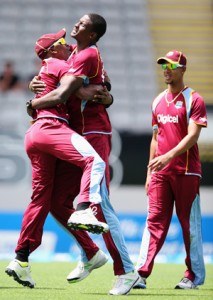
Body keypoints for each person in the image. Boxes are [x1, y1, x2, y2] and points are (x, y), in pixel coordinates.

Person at [29, 13, 140, 295]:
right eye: (76, 23)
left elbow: (71, 91)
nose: (75, 27)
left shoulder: (87, 53)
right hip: (74, 135)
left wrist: (34, 101)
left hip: (94, 133)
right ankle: (90, 254)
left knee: (100, 205)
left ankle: (127, 272)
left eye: (81, 25)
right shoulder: (78, 53)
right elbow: (101, 82)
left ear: (92, 34)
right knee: (57, 202)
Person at [5, 28, 111, 289]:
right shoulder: (59, 63)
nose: (67, 45)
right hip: (53, 127)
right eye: (63, 42)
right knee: (94, 161)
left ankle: (21, 259)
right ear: (53, 50)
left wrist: (33, 97)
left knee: (45, 200)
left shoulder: (47, 67)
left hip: (36, 134)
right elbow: (81, 92)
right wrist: (102, 94)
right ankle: (85, 209)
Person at [135, 50, 207, 290]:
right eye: (164, 65)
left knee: (189, 225)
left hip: (186, 171)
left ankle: (193, 276)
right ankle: (140, 274)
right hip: (160, 173)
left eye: (172, 66)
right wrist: (149, 172)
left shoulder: (194, 99)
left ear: (182, 69)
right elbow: (155, 138)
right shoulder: (156, 101)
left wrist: (167, 156)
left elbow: (193, 136)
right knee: (154, 221)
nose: (166, 69)